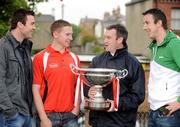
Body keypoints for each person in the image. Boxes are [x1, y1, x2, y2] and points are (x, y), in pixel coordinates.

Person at [84, 24, 145, 127]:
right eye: (105, 37)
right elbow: (85, 82)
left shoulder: (134, 64)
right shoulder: (97, 60)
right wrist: (88, 91)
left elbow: (138, 96)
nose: (105, 41)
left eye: (109, 38)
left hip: (122, 122)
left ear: (120, 39)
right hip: (98, 122)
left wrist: (117, 104)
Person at [32, 19, 81, 127]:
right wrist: (43, 118)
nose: (71, 38)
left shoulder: (74, 58)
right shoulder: (40, 58)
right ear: (55, 34)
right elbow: (35, 89)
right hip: (48, 116)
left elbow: (78, 86)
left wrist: (76, 109)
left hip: (70, 116)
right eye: (67, 34)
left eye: (71, 35)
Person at [142, 8, 180, 127]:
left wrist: (179, 102)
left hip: (169, 114)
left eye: (147, 23)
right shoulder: (154, 47)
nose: (144, 27)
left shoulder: (174, 44)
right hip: (153, 112)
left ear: (159, 23)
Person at [0, 9, 35, 127]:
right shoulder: (2, 47)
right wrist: (10, 112)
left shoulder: (25, 48)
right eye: (32, 23)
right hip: (11, 116)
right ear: (20, 25)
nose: (34, 27)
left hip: (28, 115)